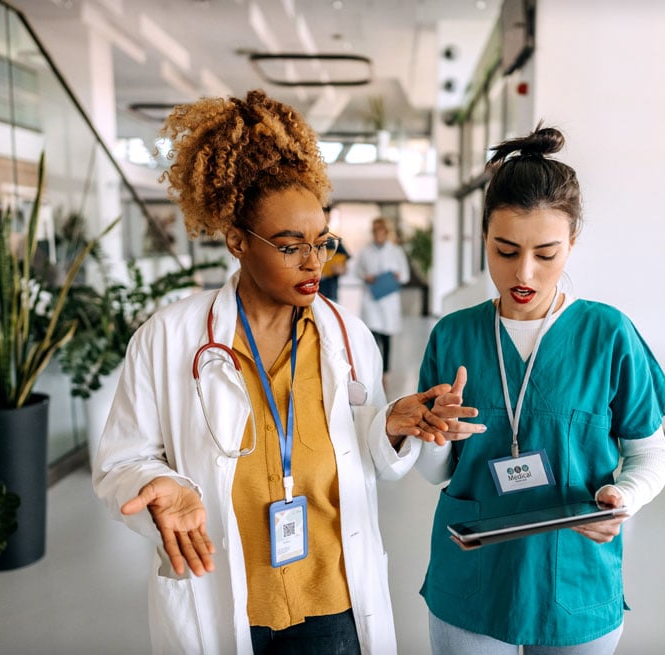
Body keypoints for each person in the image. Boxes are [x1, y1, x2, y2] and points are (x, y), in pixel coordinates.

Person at [91, 90, 466, 655]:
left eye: (323, 243)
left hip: (331, 596)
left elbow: (369, 463)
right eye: (291, 247)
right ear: (237, 242)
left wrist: (390, 427)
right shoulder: (169, 338)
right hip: (224, 593)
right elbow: (123, 458)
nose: (314, 262)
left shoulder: (348, 337)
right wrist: (157, 484)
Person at [384, 125, 665, 654]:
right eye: (505, 250)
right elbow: (436, 475)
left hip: (575, 575)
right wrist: (435, 436)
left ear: (572, 243)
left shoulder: (607, 334)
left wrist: (623, 497)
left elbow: (651, 454)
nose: (523, 272)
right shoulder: (454, 335)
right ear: (484, 238)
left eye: (546, 253)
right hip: (473, 578)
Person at [352, 217, 410, 374]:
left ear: (386, 231)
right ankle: (373, 371)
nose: (377, 233)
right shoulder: (365, 251)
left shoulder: (396, 251)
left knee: (386, 338)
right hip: (371, 299)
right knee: (372, 337)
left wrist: (398, 276)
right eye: (375, 230)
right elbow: (357, 271)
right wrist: (366, 277)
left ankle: (385, 372)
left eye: (380, 230)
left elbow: (405, 276)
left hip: (389, 300)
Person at [319, 205, 350, 302]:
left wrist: (340, 269)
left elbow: (344, 268)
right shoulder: (308, 240)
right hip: (312, 294)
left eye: (326, 214)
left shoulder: (335, 241)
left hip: (330, 293)